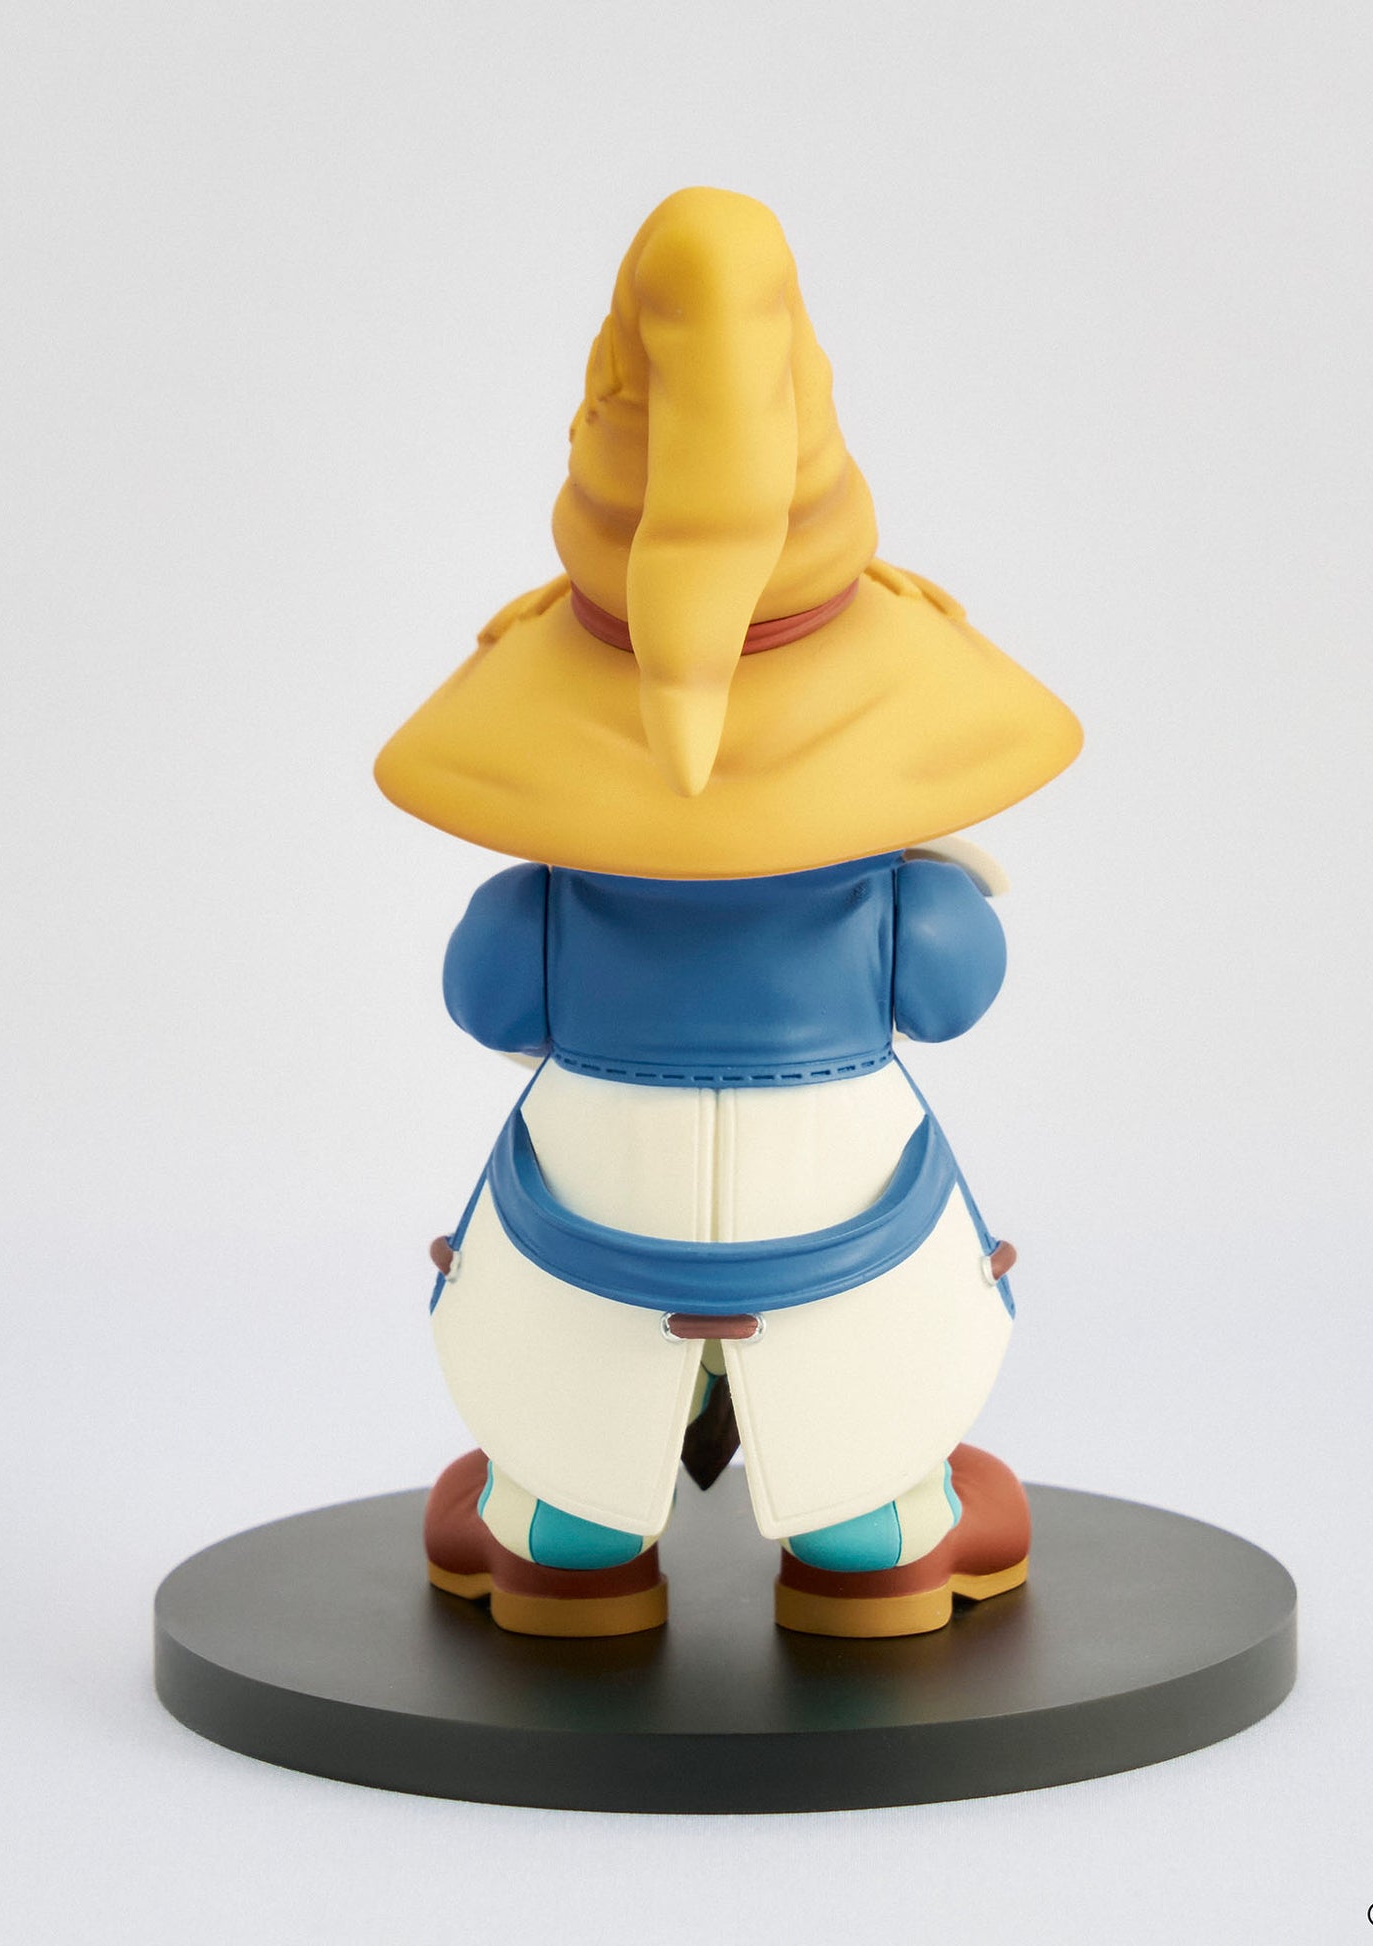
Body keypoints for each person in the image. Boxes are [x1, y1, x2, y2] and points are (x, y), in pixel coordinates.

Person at [375, 187, 1081, 1638]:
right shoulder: (899, 895)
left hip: (597, 1173)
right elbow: (951, 994)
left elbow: (488, 997)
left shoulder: (542, 898)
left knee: (570, 1343)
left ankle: (560, 1533)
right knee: (859, 1353)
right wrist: (932, 884)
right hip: (834, 1179)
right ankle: (873, 1530)